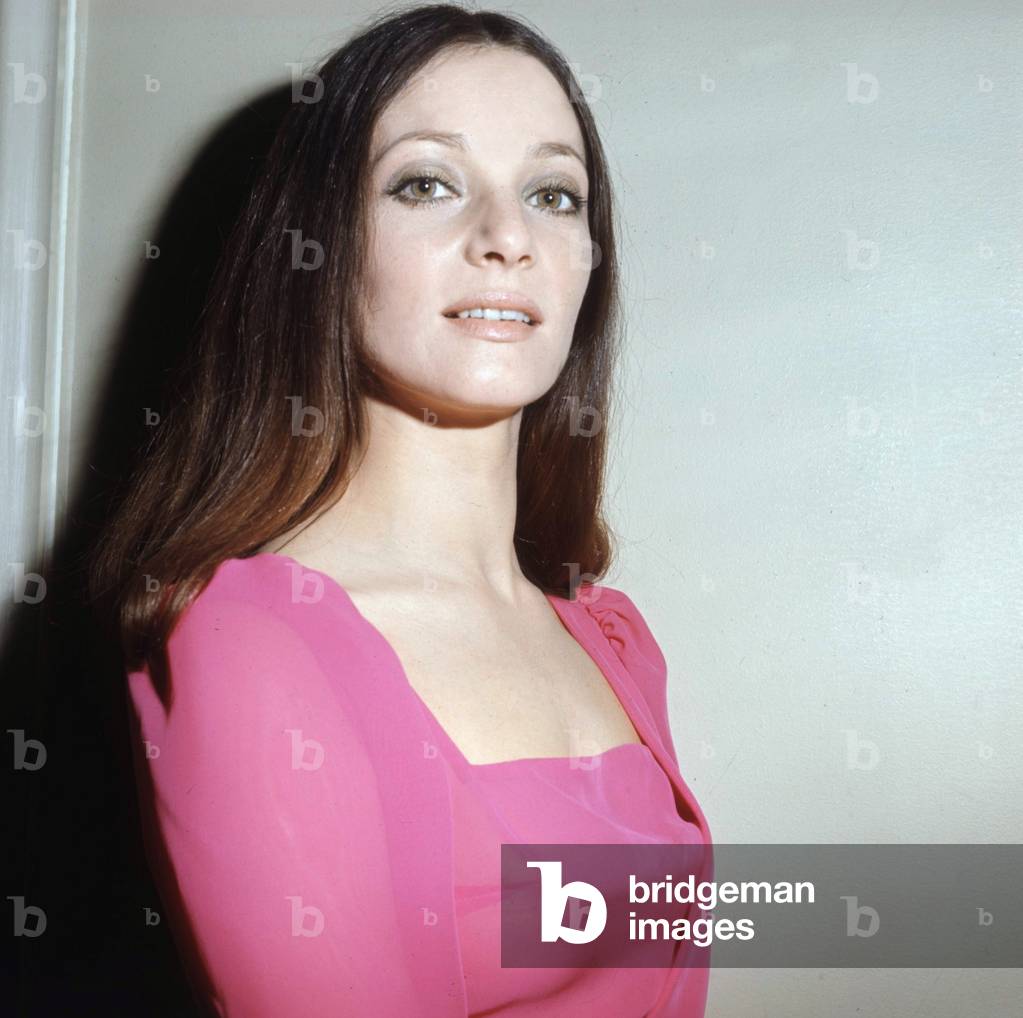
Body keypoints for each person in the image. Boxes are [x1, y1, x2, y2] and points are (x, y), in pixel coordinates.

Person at [88, 5, 713, 1015]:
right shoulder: (248, 640)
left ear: (589, 262)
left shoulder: (611, 637)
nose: (508, 237)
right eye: (427, 182)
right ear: (321, 250)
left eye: (554, 194)